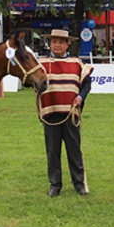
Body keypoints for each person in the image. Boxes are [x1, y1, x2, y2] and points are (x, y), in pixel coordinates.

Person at [38, 29, 93, 197]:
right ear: (50, 43)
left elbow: (87, 83)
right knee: (53, 151)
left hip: (70, 112)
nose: (57, 45)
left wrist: (80, 97)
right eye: (54, 41)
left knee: (74, 149)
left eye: (61, 42)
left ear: (67, 44)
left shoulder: (76, 63)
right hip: (51, 112)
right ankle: (55, 184)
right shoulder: (41, 63)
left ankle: (79, 184)